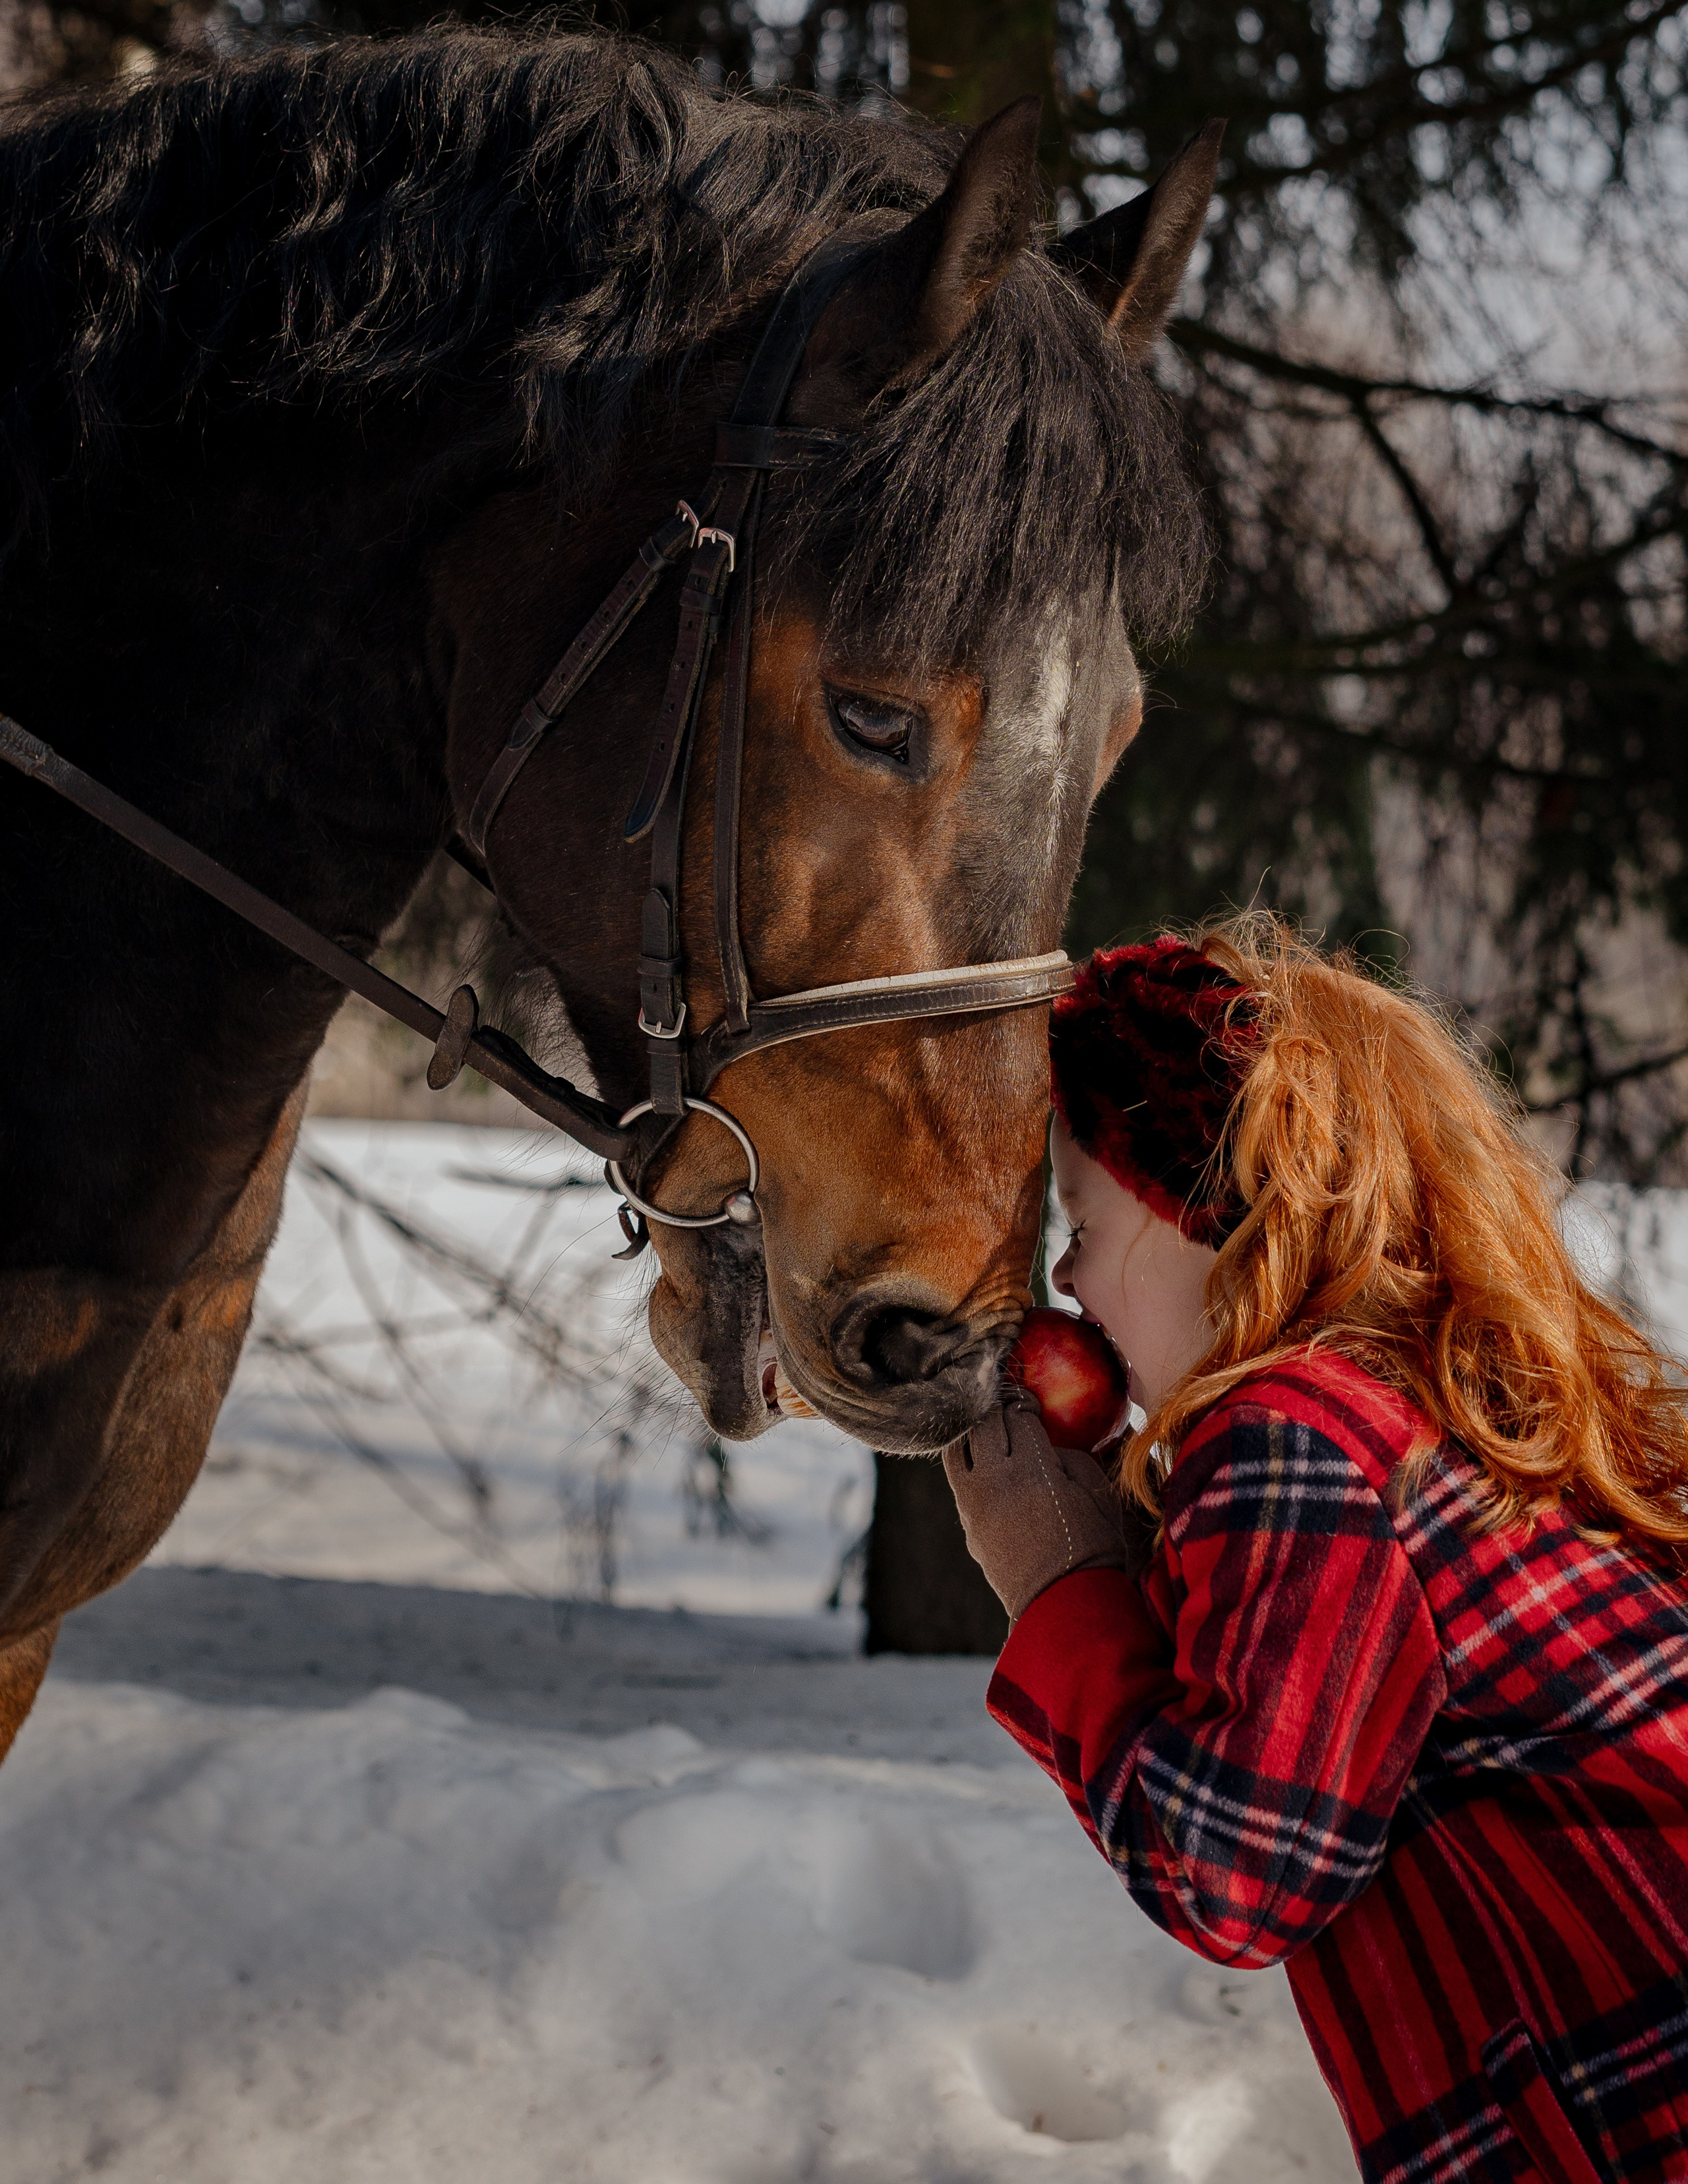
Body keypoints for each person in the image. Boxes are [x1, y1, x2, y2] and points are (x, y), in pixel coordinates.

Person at [943, 914, 1688, 2184]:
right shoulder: (1447, 1410)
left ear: (1213, 1210)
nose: (1065, 1282)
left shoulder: (1284, 1437)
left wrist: (1063, 1586)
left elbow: (1242, 1869)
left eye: (1082, 1221)